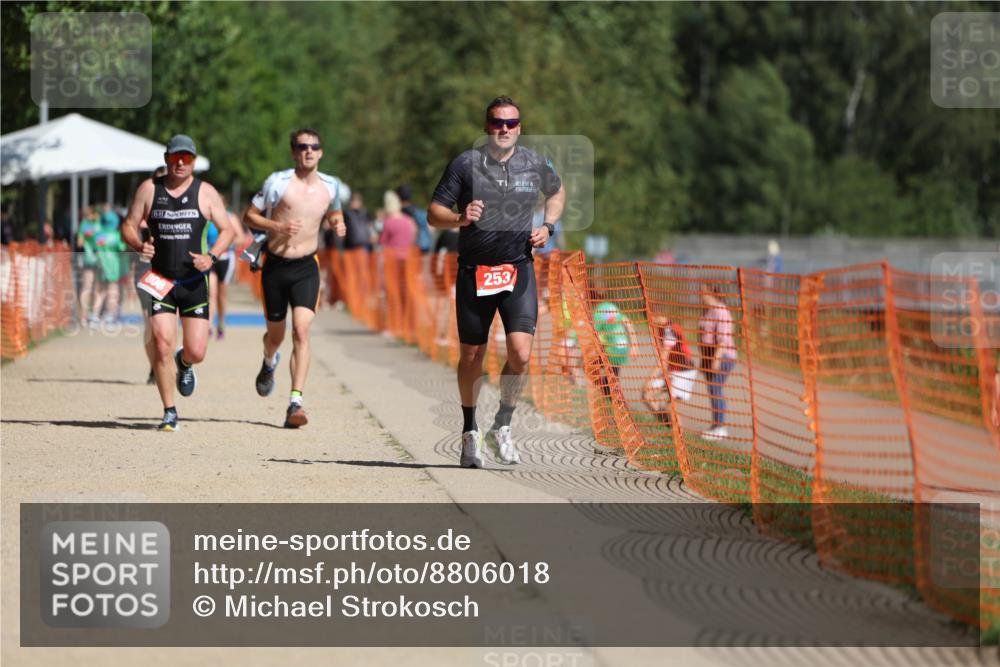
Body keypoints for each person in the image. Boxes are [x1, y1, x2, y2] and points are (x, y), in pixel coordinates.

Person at [428, 95, 566, 468]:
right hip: (475, 271)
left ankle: (502, 425)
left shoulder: (534, 163)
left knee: (520, 353)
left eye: (510, 123)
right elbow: (434, 213)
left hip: (517, 268)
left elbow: (557, 191)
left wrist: (548, 226)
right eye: (496, 122)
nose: (503, 129)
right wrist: (459, 218)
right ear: (486, 126)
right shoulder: (465, 164)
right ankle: (470, 430)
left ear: (519, 127)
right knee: (472, 355)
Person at [122, 135, 233, 431]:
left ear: (194, 161)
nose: (180, 163)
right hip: (160, 279)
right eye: (175, 157)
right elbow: (128, 226)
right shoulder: (149, 189)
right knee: (161, 345)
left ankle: (184, 364)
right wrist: (139, 245)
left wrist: (211, 256)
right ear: (166, 159)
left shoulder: (205, 192)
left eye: (187, 158)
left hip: (194, 281)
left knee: (197, 351)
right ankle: (169, 411)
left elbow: (228, 230)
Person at [243, 127, 346, 428]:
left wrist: (338, 224)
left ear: (321, 152)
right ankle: (268, 360)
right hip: (275, 266)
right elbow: (249, 216)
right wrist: (277, 227)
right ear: (293, 152)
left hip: (306, 267)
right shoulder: (277, 182)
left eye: (314, 146)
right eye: (302, 146)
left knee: (301, 331)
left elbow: (334, 213)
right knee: (275, 337)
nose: (308, 151)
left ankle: (295, 403)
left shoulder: (331, 186)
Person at [135, 166, 168, 384]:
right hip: (146, 270)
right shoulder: (142, 207)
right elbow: (128, 232)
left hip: (170, 270)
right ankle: (154, 367)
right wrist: (140, 245)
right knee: (150, 321)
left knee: (166, 322)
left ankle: (165, 361)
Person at [699, 284, 738, 441]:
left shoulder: (721, 311)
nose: (700, 294)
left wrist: (716, 360)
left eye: (703, 291)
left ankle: (720, 427)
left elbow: (722, 339)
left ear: (711, 292)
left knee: (716, 388)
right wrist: (704, 360)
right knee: (713, 390)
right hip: (709, 356)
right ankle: (715, 425)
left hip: (723, 356)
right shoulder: (707, 310)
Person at [643, 314, 696, 426]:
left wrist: (649, 380)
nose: (649, 320)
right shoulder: (660, 329)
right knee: (647, 395)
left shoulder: (670, 330)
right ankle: (666, 425)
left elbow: (663, 358)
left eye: (650, 316)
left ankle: (678, 432)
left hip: (684, 373)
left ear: (659, 314)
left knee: (670, 408)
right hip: (672, 371)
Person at [205, 196, 246, 340]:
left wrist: (225, 243)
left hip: (226, 259)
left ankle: (221, 322)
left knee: (221, 295)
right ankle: (209, 325)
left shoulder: (231, 218)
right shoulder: (207, 218)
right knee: (211, 293)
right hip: (210, 259)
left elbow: (241, 238)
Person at [592, 300, 638, 401]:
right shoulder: (611, 306)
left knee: (592, 367)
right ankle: (611, 396)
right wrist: (634, 346)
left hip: (612, 350)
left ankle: (612, 397)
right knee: (612, 376)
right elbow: (628, 322)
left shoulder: (598, 312)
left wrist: (597, 346)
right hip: (622, 348)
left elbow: (595, 335)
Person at [379, 190, 417, 260]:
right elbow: (413, 238)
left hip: (392, 259)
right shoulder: (409, 220)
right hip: (407, 257)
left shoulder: (388, 222)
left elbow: (383, 242)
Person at [397, 184, 432, 254]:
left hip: (406, 250)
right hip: (423, 247)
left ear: (398, 196)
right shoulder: (420, 213)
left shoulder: (399, 214)